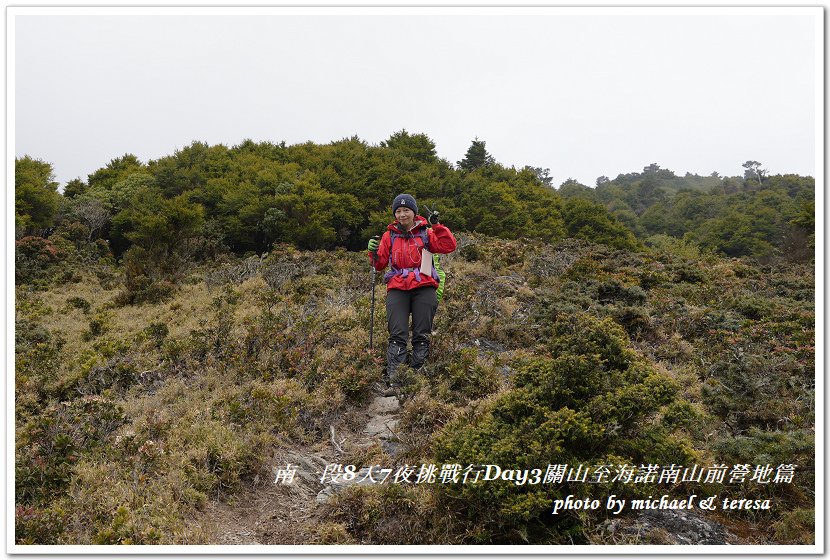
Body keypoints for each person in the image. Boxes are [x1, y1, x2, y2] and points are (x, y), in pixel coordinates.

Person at [368, 194, 456, 390]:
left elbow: (449, 246)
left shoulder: (427, 233)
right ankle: (396, 381)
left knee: (421, 334)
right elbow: (380, 264)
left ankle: (417, 379)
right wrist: (373, 252)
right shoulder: (388, 235)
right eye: (398, 211)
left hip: (424, 286)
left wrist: (438, 225)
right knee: (397, 334)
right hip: (398, 287)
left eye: (406, 210)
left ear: (414, 212)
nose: (402, 214)